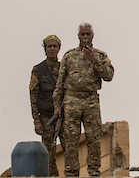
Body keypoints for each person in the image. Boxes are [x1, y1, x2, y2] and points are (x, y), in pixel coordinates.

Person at [52, 22, 114, 176]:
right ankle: (71, 173)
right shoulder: (69, 56)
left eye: (88, 34)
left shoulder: (100, 55)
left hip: (91, 101)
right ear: (78, 37)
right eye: (82, 34)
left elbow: (109, 76)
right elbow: (60, 83)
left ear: (92, 36)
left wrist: (95, 61)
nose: (85, 37)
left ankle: (93, 171)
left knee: (94, 138)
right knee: (71, 140)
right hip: (71, 100)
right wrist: (57, 106)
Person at [29, 34, 64, 177]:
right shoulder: (38, 70)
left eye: (54, 46)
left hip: (64, 116)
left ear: (59, 49)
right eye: (49, 46)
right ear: (45, 49)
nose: (52, 49)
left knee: (69, 148)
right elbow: (33, 96)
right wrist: (36, 121)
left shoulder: (64, 68)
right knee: (48, 152)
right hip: (46, 117)